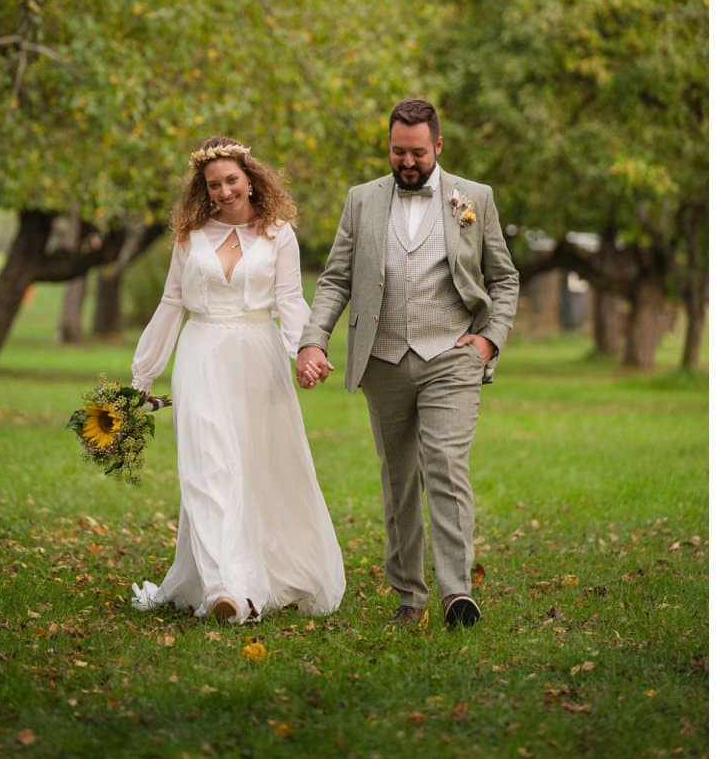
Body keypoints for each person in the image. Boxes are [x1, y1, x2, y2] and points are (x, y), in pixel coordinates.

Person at [296, 99, 518, 629]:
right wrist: (313, 340)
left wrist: (490, 340)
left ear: (438, 146)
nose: (407, 161)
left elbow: (504, 279)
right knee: (399, 478)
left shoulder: (475, 199)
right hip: (383, 357)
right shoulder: (361, 201)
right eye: (398, 151)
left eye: (418, 152)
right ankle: (408, 597)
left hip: (453, 355)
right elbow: (335, 279)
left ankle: (456, 592)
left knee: (444, 464)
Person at [130, 137, 345, 624]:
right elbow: (171, 304)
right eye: (213, 185)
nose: (224, 191)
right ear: (203, 191)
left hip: (257, 359)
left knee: (259, 467)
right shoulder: (190, 237)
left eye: (231, 180)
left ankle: (266, 572)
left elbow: (290, 300)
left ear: (250, 177)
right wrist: (144, 373)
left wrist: (306, 352)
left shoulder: (279, 235)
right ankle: (228, 588)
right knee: (208, 469)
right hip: (202, 355)